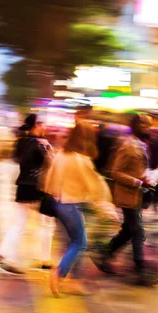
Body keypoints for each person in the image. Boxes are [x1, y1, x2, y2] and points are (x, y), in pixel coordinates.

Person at [42, 118, 118, 296]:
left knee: (70, 243)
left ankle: (74, 282)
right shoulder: (81, 160)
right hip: (72, 206)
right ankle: (59, 275)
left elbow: (49, 181)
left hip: (58, 205)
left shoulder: (61, 154)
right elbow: (95, 186)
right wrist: (107, 207)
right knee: (80, 243)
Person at [95, 114, 158, 287]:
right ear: (137, 126)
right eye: (145, 125)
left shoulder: (141, 145)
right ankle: (140, 272)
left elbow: (138, 168)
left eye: (150, 125)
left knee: (128, 231)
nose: (149, 128)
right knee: (137, 232)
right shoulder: (127, 145)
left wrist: (152, 175)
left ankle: (104, 254)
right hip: (128, 195)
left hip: (138, 194)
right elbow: (115, 172)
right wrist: (138, 182)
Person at [0, 114, 54, 273]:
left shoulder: (21, 142)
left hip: (23, 187)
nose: (44, 127)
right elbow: (52, 164)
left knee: (20, 223)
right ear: (35, 126)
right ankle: (44, 259)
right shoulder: (42, 144)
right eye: (42, 124)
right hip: (39, 189)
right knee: (47, 223)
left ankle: (3, 253)